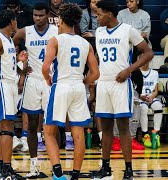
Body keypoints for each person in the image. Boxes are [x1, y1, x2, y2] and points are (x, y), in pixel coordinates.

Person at [92, 0, 154, 179]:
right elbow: (98, 55)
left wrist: (129, 70)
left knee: (123, 128)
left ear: (109, 14)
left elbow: (148, 52)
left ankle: (129, 170)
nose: (97, 18)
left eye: (99, 14)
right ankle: (105, 168)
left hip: (120, 84)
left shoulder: (128, 30)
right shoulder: (99, 31)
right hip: (103, 83)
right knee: (106, 128)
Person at [42, 3, 100, 180]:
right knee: (78, 133)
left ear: (60, 20)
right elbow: (96, 73)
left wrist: (47, 79)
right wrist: (84, 81)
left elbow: (45, 68)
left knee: (49, 132)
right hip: (78, 88)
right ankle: (75, 175)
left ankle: (58, 173)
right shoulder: (85, 43)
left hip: (61, 86)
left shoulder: (55, 40)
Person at [13, 1, 58, 178]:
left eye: (41, 15)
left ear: (48, 15)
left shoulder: (56, 31)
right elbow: (8, 47)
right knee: (32, 124)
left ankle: (56, 167)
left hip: (50, 81)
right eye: (35, 15)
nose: (37, 18)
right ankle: (33, 166)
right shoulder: (25, 31)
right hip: (32, 80)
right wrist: (19, 68)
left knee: (52, 126)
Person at [0, 10, 28, 179]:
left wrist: (21, 63)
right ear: (11, 21)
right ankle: (4, 169)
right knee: (5, 127)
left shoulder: (9, 39)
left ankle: (3, 167)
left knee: (8, 128)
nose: (17, 23)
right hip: (2, 85)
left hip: (10, 84)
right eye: (15, 20)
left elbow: (9, 66)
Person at [139, 62, 162, 149]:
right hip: (140, 98)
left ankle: (156, 133)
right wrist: (141, 97)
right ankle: (145, 135)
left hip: (151, 97)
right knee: (143, 108)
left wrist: (152, 97)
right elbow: (135, 90)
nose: (144, 63)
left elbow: (156, 90)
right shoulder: (136, 73)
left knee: (159, 107)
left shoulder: (155, 73)